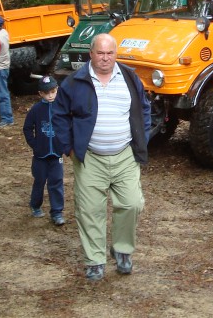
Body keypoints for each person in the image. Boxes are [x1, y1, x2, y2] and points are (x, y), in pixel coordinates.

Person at [51, 33, 150, 281]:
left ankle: (122, 250)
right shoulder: (75, 81)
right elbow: (59, 116)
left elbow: (144, 109)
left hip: (124, 155)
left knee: (132, 203)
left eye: (110, 53)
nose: (105, 58)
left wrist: (141, 138)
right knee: (89, 210)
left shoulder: (129, 77)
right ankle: (94, 260)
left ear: (116, 54)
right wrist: (70, 147)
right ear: (91, 54)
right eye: (100, 53)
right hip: (90, 157)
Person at [23, 75, 65, 226]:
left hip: (56, 155)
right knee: (39, 181)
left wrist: (63, 144)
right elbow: (27, 128)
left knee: (56, 182)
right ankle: (35, 205)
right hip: (40, 155)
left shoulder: (61, 108)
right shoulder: (36, 110)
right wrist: (35, 144)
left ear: (57, 90)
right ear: (40, 94)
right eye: (46, 93)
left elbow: (67, 126)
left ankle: (57, 212)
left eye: (53, 92)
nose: (50, 96)